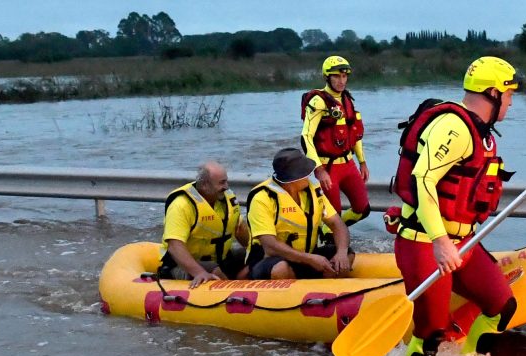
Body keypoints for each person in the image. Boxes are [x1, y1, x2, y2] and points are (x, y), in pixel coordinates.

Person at [391, 56, 523, 356]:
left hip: (464, 242)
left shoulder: (483, 133)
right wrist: (439, 240)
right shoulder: (453, 126)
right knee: (431, 335)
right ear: (493, 93)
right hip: (424, 241)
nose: (510, 102)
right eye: (508, 95)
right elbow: (422, 179)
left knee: (501, 306)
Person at [245, 147, 353, 280]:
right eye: (305, 173)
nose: (309, 175)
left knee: (347, 253)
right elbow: (270, 246)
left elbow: (337, 224)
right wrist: (309, 259)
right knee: (280, 268)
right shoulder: (262, 198)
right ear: (293, 179)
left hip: (307, 256)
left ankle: (328, 292)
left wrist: (341, 252)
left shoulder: (313, 190)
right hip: (271, 260)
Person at [300, 55, 371, 234]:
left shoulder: (347, 100)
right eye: (337, 76)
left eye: (344, 76)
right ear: (327, 77)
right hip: (328, 167)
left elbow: (354, 134)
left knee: (362, 209)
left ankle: (328, 233)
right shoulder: (318, 101)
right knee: (334, 214)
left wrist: (362, 161)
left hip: (349, 165)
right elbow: (306, 136)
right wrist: (318, 169)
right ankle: (329, 239)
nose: (341, 81)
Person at [158, 161, 250, 288]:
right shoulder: (182, 205)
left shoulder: (226, 198)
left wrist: (255, 250)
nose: (227, 187)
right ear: (205, 185)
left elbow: (239, 229)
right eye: (222, 182)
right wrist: (200, 273)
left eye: (226, 181)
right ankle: (234, 295)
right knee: (213, 268)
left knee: (251, 257)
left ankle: (251, 291)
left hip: (221, 259)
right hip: (182, 266)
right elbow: (175, 246)